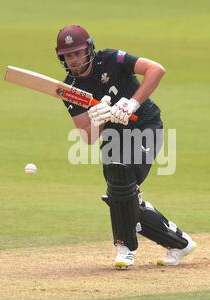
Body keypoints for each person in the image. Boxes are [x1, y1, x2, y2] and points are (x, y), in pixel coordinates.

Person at [56, 25, 195, 268]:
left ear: (89, 49)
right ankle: (179, 243)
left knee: (120, 181)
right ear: (62, 58)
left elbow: (156, 70)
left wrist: (131, 104)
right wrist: (99, 119)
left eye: (78, 53)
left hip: (146, 126)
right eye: (68, 55)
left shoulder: (111, 59)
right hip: (114, 138)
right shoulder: (71, 90)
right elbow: (88, 137)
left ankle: (125, 247)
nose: (74, 60)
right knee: (121, 193)